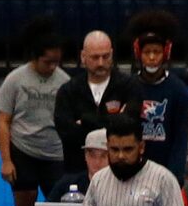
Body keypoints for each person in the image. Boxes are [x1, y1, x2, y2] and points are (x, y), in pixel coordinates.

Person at [0, 21, 72, 206]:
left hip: (54, 153)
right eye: (47, 62)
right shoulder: (15, 79)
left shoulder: (65, 81)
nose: (53, 67)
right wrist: (6, 160)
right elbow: (3, 121)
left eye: (56, 62)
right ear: (35, 58)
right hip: (23, 151)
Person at [125, 12, 188, 182]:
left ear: (166, 53)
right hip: (134, 171)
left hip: (166, 171)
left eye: (156, 52)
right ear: (138, 53)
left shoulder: (177, 89)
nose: (152, 58)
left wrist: (173, 178)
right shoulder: (128, 86)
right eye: (147, 52)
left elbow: (180, 138)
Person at [58, 31, 140, 168]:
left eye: (105, 56)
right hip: (78, 169)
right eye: (95, 57)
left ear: (112, 54)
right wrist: (113, 120)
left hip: (121, 169)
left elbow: (129, 127)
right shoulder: (68, 91)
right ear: (83, 57)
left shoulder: (129, 86)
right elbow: (68, 135)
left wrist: (86, 121)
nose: (101, 63)